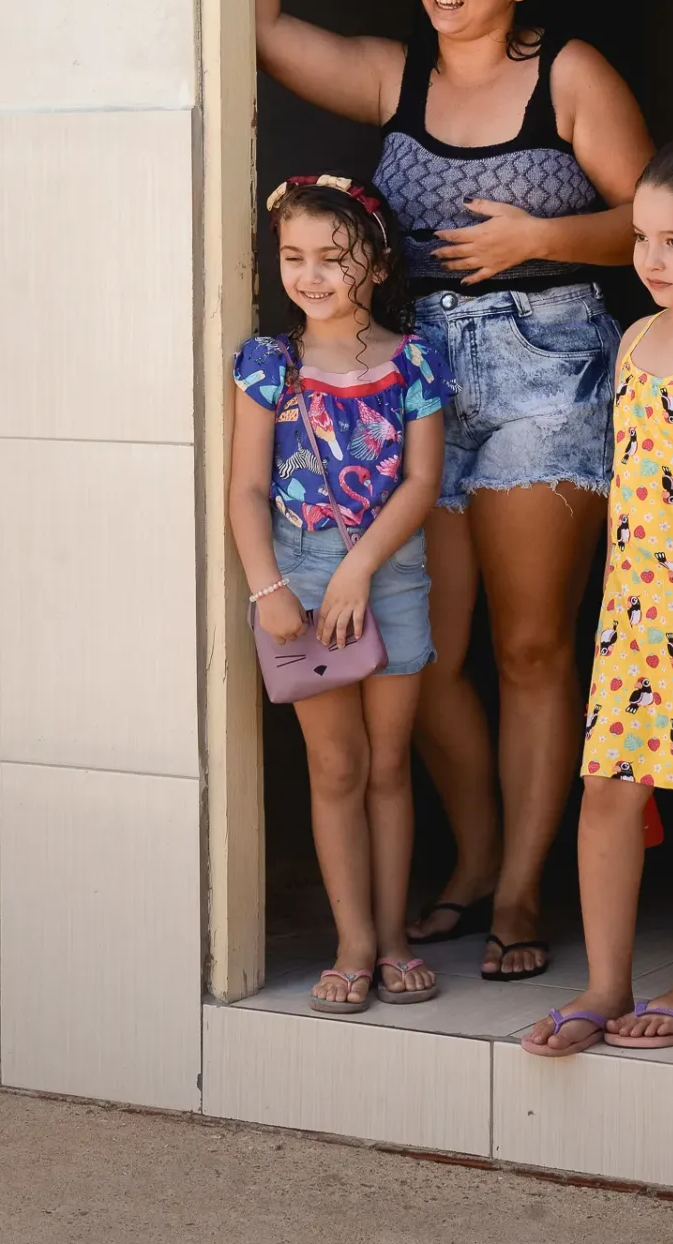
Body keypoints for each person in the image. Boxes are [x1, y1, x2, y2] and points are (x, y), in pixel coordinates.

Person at [242, 0, 653, 979]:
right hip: (423, 384)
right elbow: (265, 36)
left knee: (529, 649)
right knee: (428, 650)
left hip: (546, 367)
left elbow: (652, 220)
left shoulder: (565, 74)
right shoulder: (394, 78)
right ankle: (475, 854)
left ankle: (521, 890)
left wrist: (534, 237)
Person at [522, 132, 673, 1054]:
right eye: (643, 238)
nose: (650, 259)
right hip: (632, 618)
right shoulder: (638, 336)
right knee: (608, 788)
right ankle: (606, 982)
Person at [228, 175, 456, 1013]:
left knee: (390, 764)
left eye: (333, 256)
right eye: (294, 257)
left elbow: (422, 480)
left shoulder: (415, 359)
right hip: (299, 571)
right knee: (336, 765)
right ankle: (353, 941)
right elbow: (248, 490)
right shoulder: (268, 363)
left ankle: (394, 938)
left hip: (388, 572)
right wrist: (269, 588)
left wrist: (360, 569)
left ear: (377, 259)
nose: (312, 274)